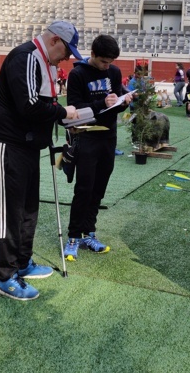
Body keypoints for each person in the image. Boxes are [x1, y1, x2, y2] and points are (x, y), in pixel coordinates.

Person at [0, 20, 80, 301]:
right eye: (67, 51)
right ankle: (5, 276)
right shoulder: (25, 57)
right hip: (6, 145)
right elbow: (29, 105)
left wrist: (63, 118)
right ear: (54, 41)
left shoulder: (46, 62)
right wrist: (63, 112)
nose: (67, 58)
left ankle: (22, 262)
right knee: (8, 213)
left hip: (27, 146)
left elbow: (44, 104)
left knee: (28, 209)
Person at [62, 34, 132, 261]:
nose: (107, 66)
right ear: (92, 54)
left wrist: (124, 102)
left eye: (110, 62)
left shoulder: (114, 72)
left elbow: (115, 105)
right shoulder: (77, 74)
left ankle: (88, 233)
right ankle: (73, 237)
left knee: (99, 189)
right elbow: (74, 109)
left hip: (108, 138)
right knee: (84, 189)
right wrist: (101, 102)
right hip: (86, 137)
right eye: (103, 61)